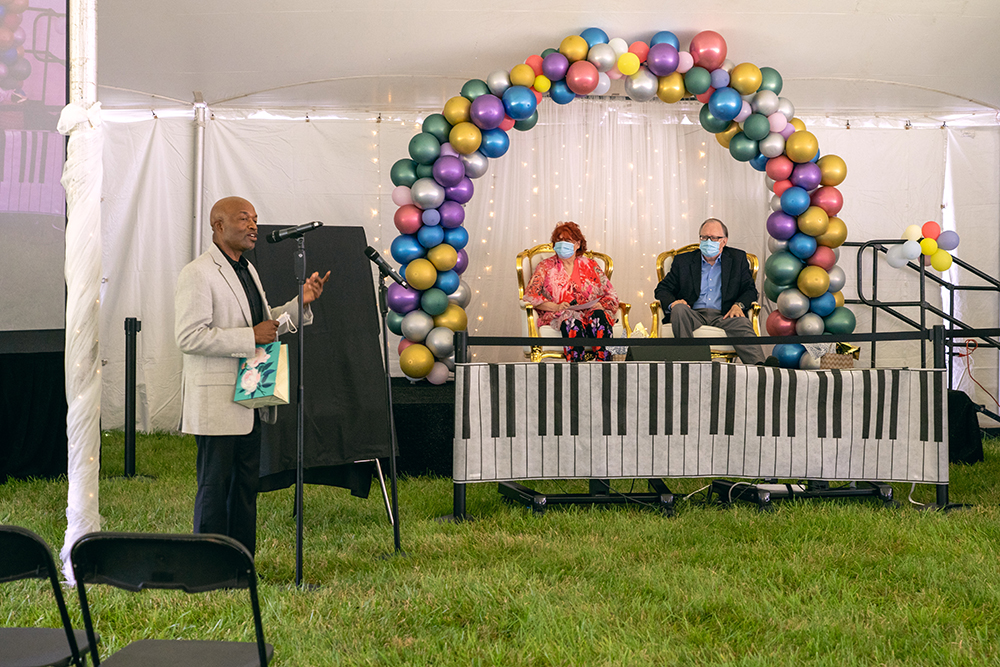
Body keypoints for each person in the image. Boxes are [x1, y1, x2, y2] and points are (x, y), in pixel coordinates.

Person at [174, 196, 330, 555]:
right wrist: (249, 337)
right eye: (243, 218)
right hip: (217, 402)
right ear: (218, 225)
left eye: (255, 218)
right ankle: (208, 563)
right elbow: (189, 336)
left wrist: (300, 301)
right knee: (215, 487)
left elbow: (264, 322)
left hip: (250, 395)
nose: (253, 225)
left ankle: (241, 562)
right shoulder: (197, 273)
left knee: (244, 486)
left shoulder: (248, 269)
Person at [654, 218, 766, 365]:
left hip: (725, 314)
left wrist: (738, 305)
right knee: (679, 310)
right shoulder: (683, 261)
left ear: (724, 241)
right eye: (704, 237)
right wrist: (674, 303)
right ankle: (689, 364)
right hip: (693, 313)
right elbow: (662, 289)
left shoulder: (737, 259)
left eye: (714, 238)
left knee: (742, 323)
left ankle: (761, 369)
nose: (708, 241)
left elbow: (750, 290)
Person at [523, 221, 619, 361]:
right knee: (571, 322)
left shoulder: (590, 264)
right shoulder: (545, 267)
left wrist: (601, 304)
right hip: (563, 313)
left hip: (590, 310)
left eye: (567, 240)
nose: (562, 244)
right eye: (559, 240)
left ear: (578, 244)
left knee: (599, 316)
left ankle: (604, 367)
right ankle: (576, 370)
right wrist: (556, 306)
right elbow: (531, 296)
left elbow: (611, 294)